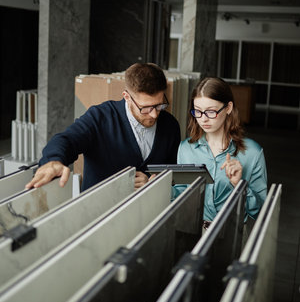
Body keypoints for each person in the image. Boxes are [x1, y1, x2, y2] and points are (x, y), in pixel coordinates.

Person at [26, 63, 181, 191]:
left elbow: (172, 174)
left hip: (147, 216)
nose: (154, 114)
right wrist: (53, 160)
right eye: (145, 108)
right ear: (127, 97)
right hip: (99, 215)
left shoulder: (171, 126)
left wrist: (155, 182)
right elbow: (68, 139)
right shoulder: (100, 117)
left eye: (160, 105)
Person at [177, 77, 267, 226]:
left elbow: (261, 212)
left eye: (211, 112)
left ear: (228, 108)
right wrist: (158, 186)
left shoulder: (253, 153)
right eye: (197, 111)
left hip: (232, 235)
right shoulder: (186, 149)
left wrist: (240, 186)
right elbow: (180, 195)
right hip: (192, 231)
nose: (203, 119)